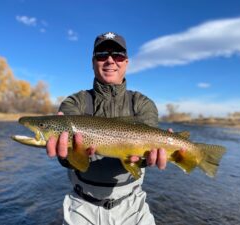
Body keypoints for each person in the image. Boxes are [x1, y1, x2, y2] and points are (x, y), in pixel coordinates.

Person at [46, 32, 167, 225]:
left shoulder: (143, 104)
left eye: (117, 55)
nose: (110, 60)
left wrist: (144, 160)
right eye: (102, 55)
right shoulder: (74, 102)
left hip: (133, 206)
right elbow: (67, 156)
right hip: (82, 206)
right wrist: (67, 156)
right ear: (93, 62)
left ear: (126, 62)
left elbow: (147, 150)